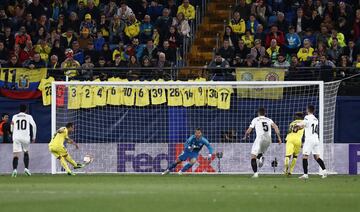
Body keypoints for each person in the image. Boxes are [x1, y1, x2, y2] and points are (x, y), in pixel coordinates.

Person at [243, 107, 282, 178]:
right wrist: (279, 138)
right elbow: (276, 127)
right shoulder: (269, 120)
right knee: (259, 153)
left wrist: (246, 136)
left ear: (258, 113)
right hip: (268, 140)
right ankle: (260, 158)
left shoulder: (255, 119)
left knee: (253, 156)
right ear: (265, 113)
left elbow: (249, 130)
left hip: (260, 139)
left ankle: (255, 174)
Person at [296, 105, 327, 179]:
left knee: (305, 156)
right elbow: (307, 126)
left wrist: (296, 124)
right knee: (317, 157)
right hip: (316, 139)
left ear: (308, 110)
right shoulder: (316, 119)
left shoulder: (307, 117)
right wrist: (300, 127)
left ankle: (305, 174)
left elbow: (302, 124)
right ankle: (324, 171)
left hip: (309, 140)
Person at [11, 104, 37, 177]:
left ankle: (15, 170)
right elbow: (34, 125)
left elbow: (11, 127)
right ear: (26, 110)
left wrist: (12, 132)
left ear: (19, 109)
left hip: (16, 137)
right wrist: (34, 137)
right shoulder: (28, 117)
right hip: (25, 137)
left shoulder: (14, 116)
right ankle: (26, 168)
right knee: (26, 152)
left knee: (16, 154)